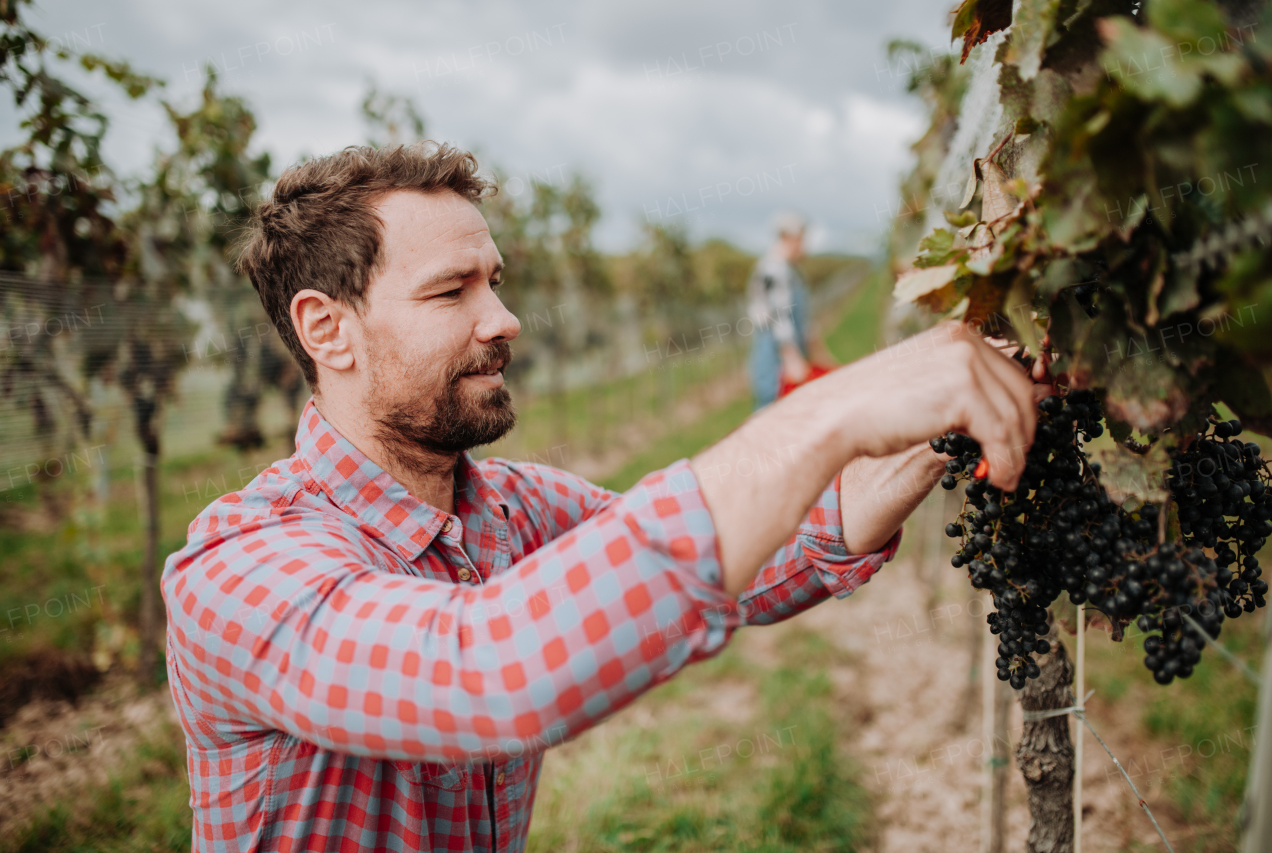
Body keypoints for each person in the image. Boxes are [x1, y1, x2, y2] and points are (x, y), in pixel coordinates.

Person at [162, 142, 1043, 853]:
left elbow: (751, 560)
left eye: (494, 281)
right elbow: (487, 678)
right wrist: (826, 412)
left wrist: (940, 431)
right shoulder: (238, 571)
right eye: (449, 291)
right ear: (327, 327)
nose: (502, 318)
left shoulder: (512, 509)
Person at [745, 212, 838, 408]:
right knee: (771, 409)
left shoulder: (790, 270)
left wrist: (816, 349)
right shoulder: (773, 270)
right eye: (802, 240)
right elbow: (778, 317)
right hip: (774, 354)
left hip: (787, 350)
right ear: (789, 238)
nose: (805, 246)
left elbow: (800, 319)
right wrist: (791, 357)